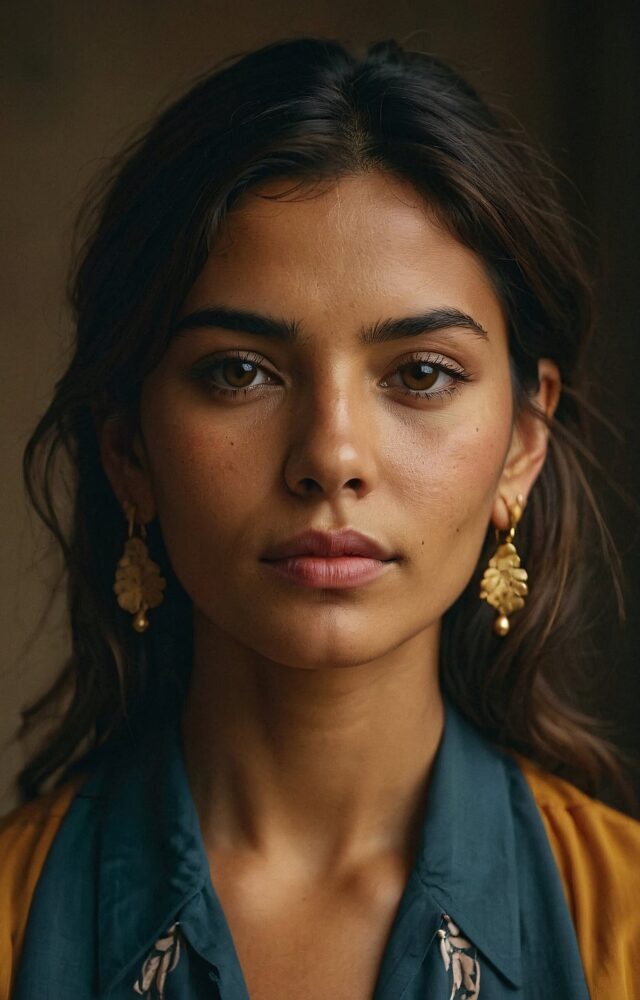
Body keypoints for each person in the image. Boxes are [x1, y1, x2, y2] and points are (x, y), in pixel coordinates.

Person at [1, 35, 639, 1000]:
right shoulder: (15, 924)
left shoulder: (621, 925)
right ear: (129, 448)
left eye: (420, 373)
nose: (332, 456)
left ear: (522, 442)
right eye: (239, 372)